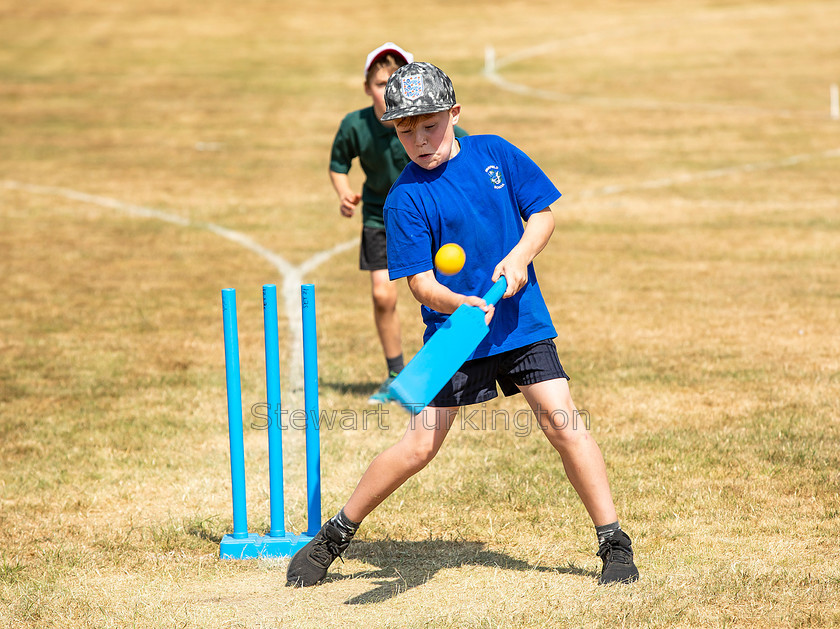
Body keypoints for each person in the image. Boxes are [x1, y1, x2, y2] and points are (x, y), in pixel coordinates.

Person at [289, 62, 639, 587]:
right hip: (457, 334)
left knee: (562, 422)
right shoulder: (405, 198)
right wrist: (462, 304)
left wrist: (520, 256)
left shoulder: (495, 153)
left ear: (454, 113)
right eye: (406, 130)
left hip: (521, 323)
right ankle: (335, 535)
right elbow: (421, 285)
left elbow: (542, 214)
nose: (419, 139)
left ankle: (614, 541)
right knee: (418, 447)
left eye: (429, 125)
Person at [328, 43, 467, 404]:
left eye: (393, 80)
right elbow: (338, 164)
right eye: (378, 83)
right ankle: (395, 374)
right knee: (382, 295)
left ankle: (446, 368)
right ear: (367, 87)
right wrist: (344, 192)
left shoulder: (428, 121)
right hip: (379, 216)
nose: (385, 87)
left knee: (440, 291)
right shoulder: (354, 125)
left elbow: (464, 151)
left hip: (428, 216)